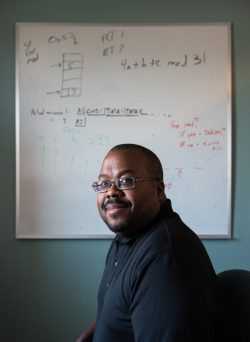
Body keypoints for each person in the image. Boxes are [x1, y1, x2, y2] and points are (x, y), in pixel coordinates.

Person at [76, 143, 223, 342]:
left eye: (126, 181)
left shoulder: (166, 259)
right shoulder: (128, 236)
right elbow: (120, 308)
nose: (111, 191)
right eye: (104, 183)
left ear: (159, 190)